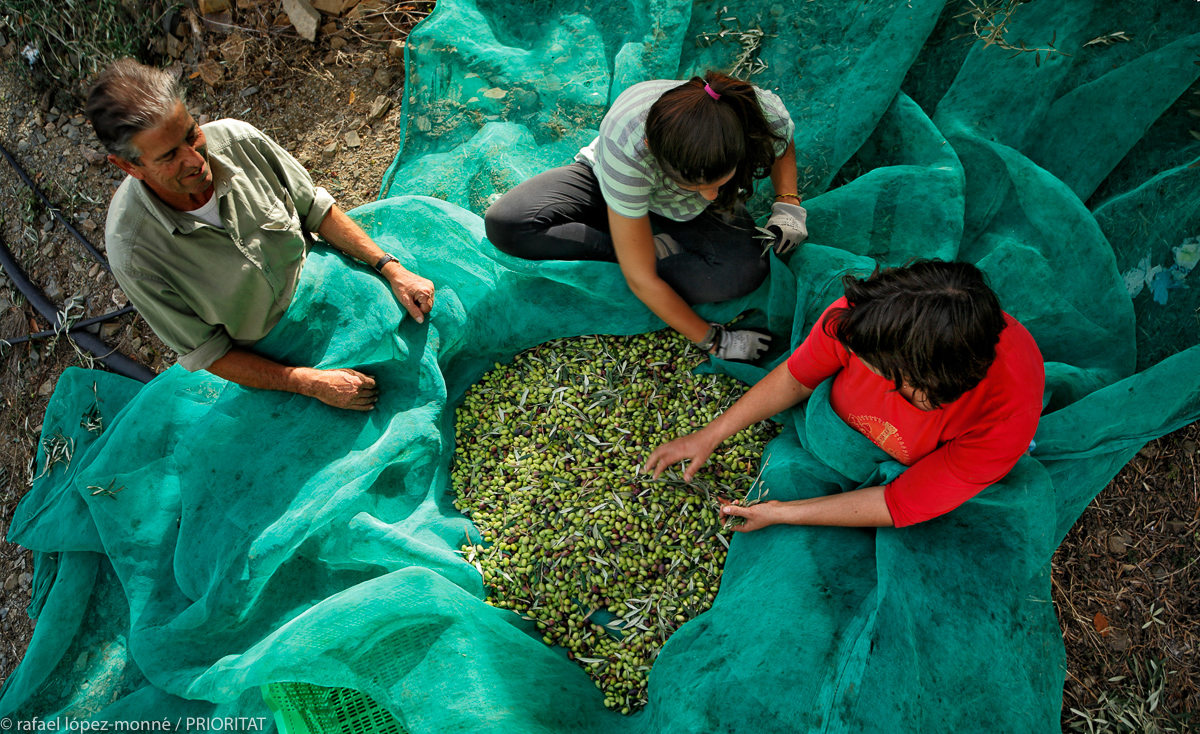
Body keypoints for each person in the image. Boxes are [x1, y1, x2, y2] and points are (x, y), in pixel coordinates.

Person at [86, 59, 435, 411]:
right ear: (129, 166)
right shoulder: (134, 253)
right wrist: (308, 383)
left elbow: (315, 209)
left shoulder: (239, 140)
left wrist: (391, 269)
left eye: (191, 135)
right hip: (278, 355)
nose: (194, 160)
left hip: (332, 283)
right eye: (170, 156)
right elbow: (209, 351)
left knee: (436, 331)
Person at [643, 260, 1046, 529]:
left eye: (873, 366)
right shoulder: (865, 319)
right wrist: (710, 434)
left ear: (920, 386)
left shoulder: (1003, 415)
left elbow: (899, 503)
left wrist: (784, 513)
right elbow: (798, 377)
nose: (850, 354)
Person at [484, 71, 808, 362]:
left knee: (745, 272)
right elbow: (641, 279)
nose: (711, 194)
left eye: (719, 183)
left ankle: (650, 244)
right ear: (652, 149)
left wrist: (788, 202)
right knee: (510, 223)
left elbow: (782, 138)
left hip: (684, 207)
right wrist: (713, 340)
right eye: (697, 185)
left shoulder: (748, 107)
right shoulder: (626, 143)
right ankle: (641, 246)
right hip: (613, 179)